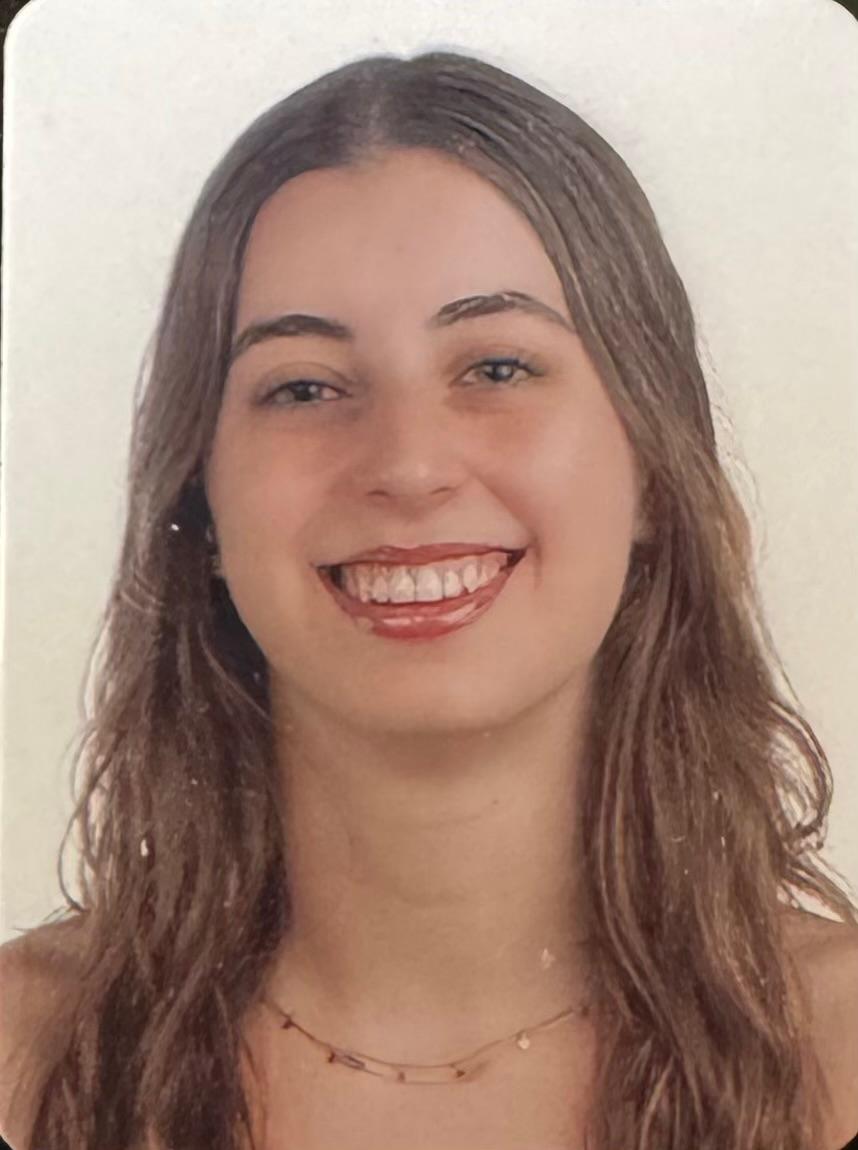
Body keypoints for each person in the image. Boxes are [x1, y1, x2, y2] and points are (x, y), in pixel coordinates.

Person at [1, 49, 857, 1150]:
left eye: (496, 368)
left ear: (652, 465)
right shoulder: (23, 1058)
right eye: (304, 386)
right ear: (201, 508)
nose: (407, 464)